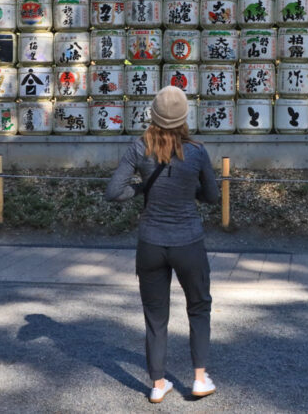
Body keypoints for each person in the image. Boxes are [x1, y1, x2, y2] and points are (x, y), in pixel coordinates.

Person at [106, 85, 220, 403]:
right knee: (199, 307)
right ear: (184, 117)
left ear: (153, 116)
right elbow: (212, 196)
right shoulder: (197, 151)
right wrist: (190, 190)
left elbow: (113, 192)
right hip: (188, 242)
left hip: (151, 243)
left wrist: (143, 188)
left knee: (155, 316)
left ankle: (158, 384)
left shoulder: (140, 147)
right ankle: (199, 379)